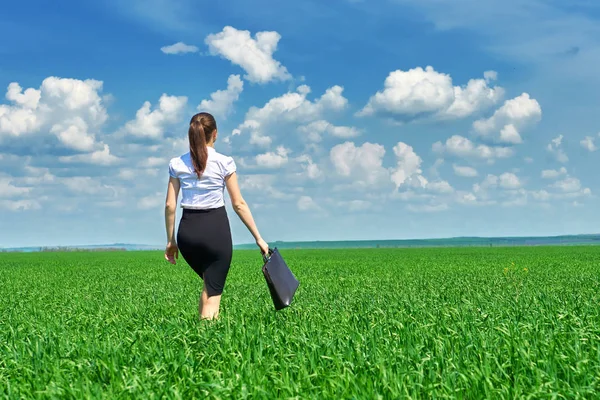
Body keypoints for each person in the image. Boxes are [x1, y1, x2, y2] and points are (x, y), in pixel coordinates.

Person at [164, 112, 269, 320]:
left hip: (187, 233)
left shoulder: (177, 164)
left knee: (208, 283)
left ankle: (197, 338)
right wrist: (259, 238)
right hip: (215, 231)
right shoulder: (224, 162)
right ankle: (207, 345)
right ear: (215, 134)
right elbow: (238, 203)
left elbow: (170, 205)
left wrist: (171, 241)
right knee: (213, 294)